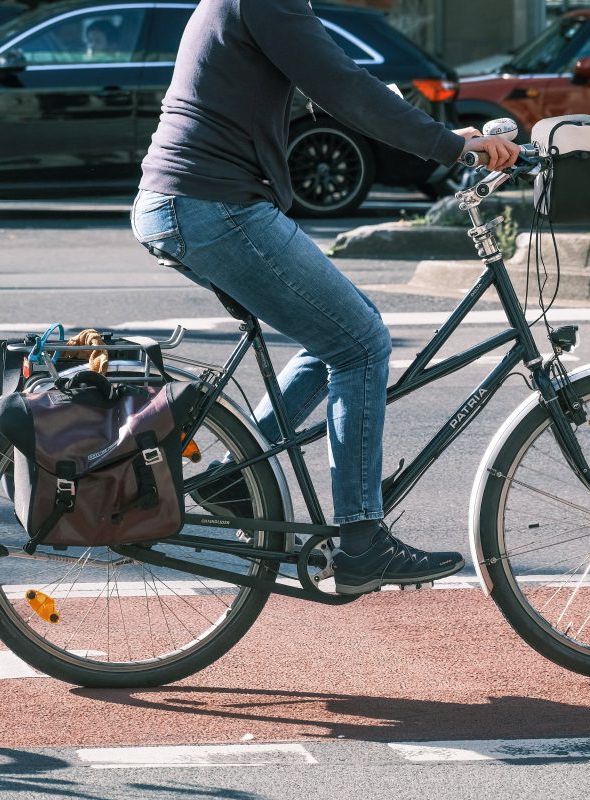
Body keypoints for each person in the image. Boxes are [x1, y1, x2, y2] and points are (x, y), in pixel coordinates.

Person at [131, 0, 518, 596]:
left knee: (342, 330)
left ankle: (236, 476)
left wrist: (447, 135)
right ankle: (362, 542)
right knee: (361, 345)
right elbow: (344, 88)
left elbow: (334, 85)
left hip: (190, 202)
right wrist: (449, 148)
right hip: (212, 204)